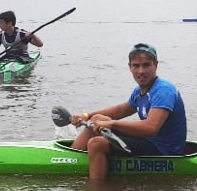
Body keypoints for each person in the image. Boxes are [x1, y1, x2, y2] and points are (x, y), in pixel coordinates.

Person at [70, 43, 187, 182]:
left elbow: (151, 128)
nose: (141, 71)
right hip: (148, 141)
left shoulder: (163, 90)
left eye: (146, 65)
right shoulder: (140, 91)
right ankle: (70, 159)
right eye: (136, 66)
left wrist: (111, 124)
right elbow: (120, 110)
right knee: (96, 120)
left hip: (164, 149)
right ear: (130, 67)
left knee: (96, 143)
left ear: (156, 65)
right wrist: (86, 116)